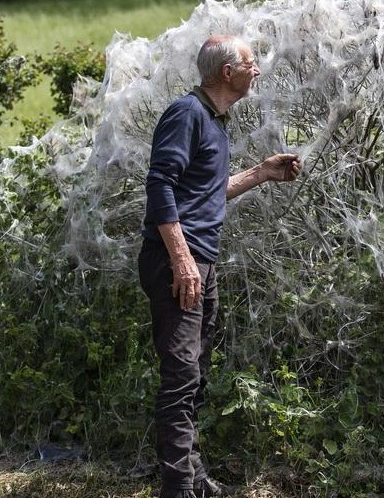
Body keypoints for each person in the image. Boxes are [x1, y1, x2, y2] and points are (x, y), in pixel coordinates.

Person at [138, 35, 302, 498]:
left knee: (195, 372)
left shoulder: (214, 120)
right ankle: (178, 489)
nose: (257, 70)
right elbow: (160, 187)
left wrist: (262, 173)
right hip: (178, 261)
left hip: (198, 261)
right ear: (227, 72)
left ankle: (192, 478)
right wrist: (183, 259)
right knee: (180, 375)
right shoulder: (187, 113)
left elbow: (203, 193)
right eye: (251, 63)